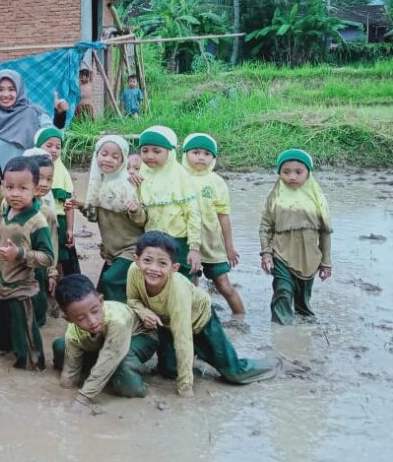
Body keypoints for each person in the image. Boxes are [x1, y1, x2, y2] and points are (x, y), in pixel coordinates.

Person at [126, 232, 275, 397]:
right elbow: (132, 300)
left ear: (173, 268)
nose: (153, 268)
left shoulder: (178, 289)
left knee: (234, 373)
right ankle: (196, 359)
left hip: (201, 320)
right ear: (136, 260)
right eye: (147, 260)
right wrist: (143, 311)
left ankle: (274, 363)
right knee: (168, 371)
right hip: (168, 323)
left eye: (162, 263)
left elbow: (183, 337)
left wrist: (185, 388)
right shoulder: (134, 271)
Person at [0, 157, 55, 370]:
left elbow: (48, 258)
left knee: (26, 335)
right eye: (9, 187)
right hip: (3, 283)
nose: (14, 194)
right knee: (1, 330)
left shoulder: (37, 221)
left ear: (36, 189)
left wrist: (19, 254)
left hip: (22, 288)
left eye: (22, 188)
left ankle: (33, 366)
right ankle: (4, 354)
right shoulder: (5, 208)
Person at [51, 274, 158, 411]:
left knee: (129, 383)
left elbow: (109, 357)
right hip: (105, 343)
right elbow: (70, 372)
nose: (92, 321)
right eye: (81, 318)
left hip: (140, 337)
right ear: (68, 319)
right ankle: (104, 375)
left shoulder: (116, 321)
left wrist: (83, 398)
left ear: (101, 301)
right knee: (61, 347)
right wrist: (64, 394)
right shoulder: (73, 333)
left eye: (95, 311)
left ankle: (130, 377)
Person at [66, 135, 146, 303]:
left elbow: (142, 220)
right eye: (104, 154)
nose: (108, 160)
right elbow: (94, 216)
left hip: (131, 249)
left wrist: (135, 210)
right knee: (101, 292)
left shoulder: (129, 184)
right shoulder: (99, 183)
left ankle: (123, 321)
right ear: (96, 156)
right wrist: (79, 204)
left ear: (122, 160)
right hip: (112, 251)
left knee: (111, 282)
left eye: (115, 156)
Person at [259, 149, 332, 325]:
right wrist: (267, 253)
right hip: (281, 254)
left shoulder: (317, 200)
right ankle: (281, 328)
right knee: (282, 290)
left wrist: (326, 262)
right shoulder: (275, 197)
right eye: (286, 172)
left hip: (309, 257)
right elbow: (265, 226)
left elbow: (325, 233)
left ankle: (304, 320)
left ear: (308, 173)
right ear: (279, 173)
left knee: (303, 298)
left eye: (298, 172)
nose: (292, 177)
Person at [181, 133, 244, 316]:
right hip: (187, 241)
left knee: (223, 284)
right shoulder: (179, 177)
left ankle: (241, 318)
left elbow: (223, 216)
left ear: (214, 158)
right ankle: (197, 320)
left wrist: (229, 247)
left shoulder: (217, 182)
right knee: (191, 285)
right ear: (185, 154)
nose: (201, 157)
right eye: (196, 152)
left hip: (212, 242)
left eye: (207, 154)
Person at [135, 126, 201, 280]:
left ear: (170, 153)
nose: (150, 155)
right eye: (145, 151)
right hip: (151, 240)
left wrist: (194, 248)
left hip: (179, 241)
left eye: (156, 151)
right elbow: (139, 214)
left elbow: (193, 214)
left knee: (181, 282)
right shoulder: (140, 175)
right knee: (154, 281)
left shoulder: (181, 177)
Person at [0, 69, 67, 179]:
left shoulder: (35, 113)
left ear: (19, 90)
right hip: (8, 186)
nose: (6, 94)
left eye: (11, 89)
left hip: (35, 184)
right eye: (0, 89)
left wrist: (60, 115)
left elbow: (54, 138)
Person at [35, 127, 79, 277]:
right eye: (49, 145)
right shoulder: (30, 169)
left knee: (58, 258)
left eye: (58, 147)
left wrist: (70, 229)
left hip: (59, 221)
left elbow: (69, 204)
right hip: (37, 219)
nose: (54, 150)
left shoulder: (63, 173)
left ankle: (58, 290)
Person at [21, 149, 58, 325]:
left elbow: (52, 244)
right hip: (16, 262)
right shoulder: (11, 204)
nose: (44, 184)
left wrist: (52, 272)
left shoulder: (47, 212)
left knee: (38, 303)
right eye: (39, 178)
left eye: (49, 179)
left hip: (38, 265)